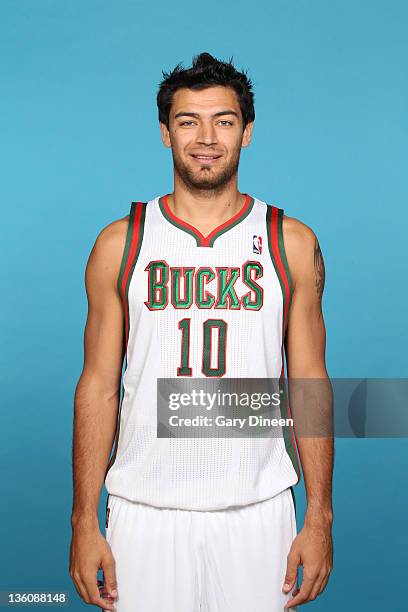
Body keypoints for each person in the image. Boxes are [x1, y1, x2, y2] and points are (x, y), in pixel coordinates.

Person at [69, 52, 333, 611]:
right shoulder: (122, 244)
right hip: (143, 509)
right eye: (189, 121)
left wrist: (319, 516)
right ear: (165, 133)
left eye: (225, 121)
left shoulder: (290, 242)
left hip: (257, 509)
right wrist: (83, 521)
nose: (206, 137)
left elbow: (309, 382)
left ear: (248, 132)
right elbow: (98, 385)